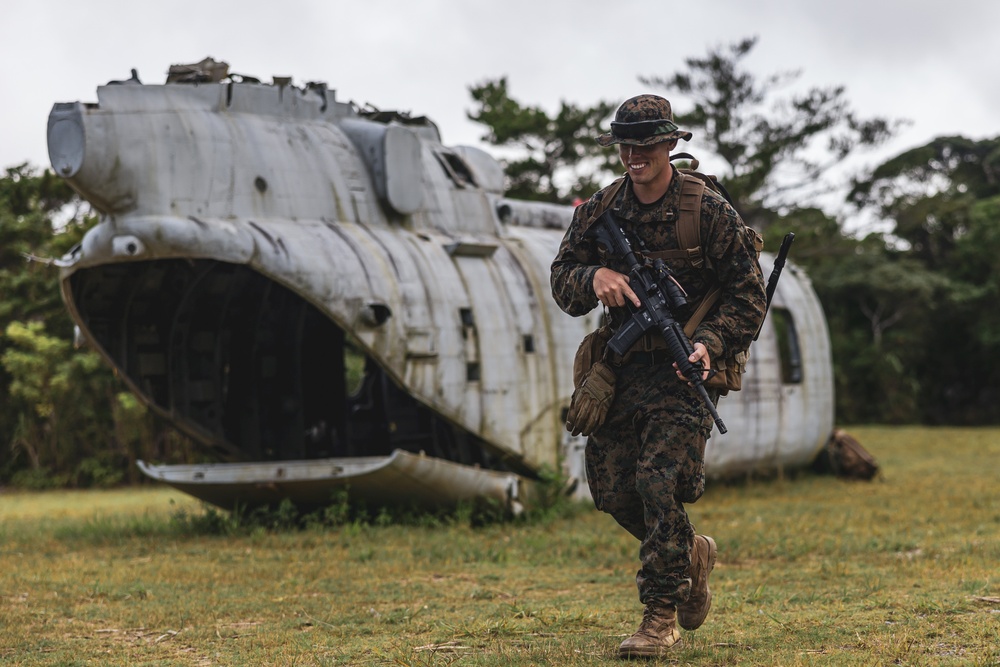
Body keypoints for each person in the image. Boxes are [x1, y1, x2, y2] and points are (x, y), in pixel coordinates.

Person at [550, 94, 766, 658]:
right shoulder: (601, 210)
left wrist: (708, 343)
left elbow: (748, 295)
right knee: (614, 491)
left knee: (658, 483)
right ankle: (688, 551)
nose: (634, 155)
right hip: (620, 369)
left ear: (669, 144)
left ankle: (660, 615)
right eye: (625, 144)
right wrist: (594, 274)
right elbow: (562, 279)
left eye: (645, 144)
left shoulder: (707, 210)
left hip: (682, 368)